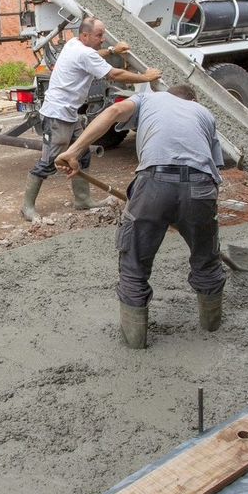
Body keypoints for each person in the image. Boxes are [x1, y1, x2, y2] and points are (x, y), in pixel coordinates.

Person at [55, 84, 226, 348]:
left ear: (169, 94)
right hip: (201, 186)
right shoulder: (203, 112)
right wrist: (193, 219)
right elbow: (215, 174)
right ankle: (211, 328)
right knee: (207, 259)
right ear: (192, 99)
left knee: (134, 265)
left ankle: (135, 344)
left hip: (154, 181)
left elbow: (113, 111)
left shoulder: (149, 97)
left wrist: (74, 151)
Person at [22, 17, 162, 221]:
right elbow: (114, 74)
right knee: (50, 161)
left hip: (70, 113)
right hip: (57, 115)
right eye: (99, 35)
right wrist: (145, 77)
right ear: (85, 35)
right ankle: (27, 207)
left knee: (83, 152)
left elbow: (96, 55)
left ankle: (83, 200)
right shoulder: (83, 52)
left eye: (103, 34)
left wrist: (113, 51)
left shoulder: (74, 44)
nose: (103, 39)